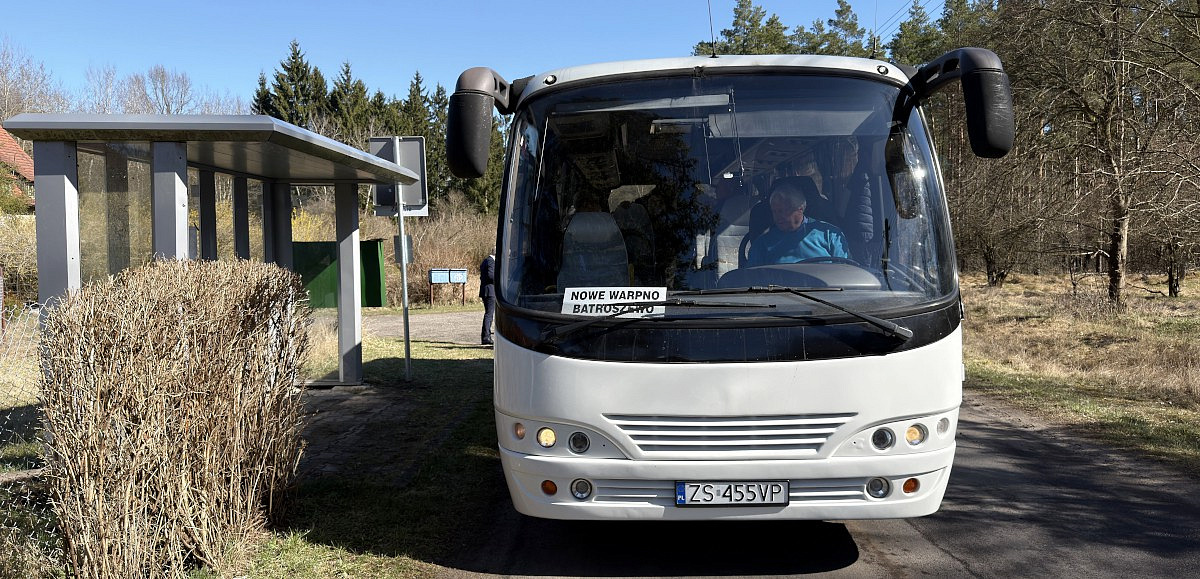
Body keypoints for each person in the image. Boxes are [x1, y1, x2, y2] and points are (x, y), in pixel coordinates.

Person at [745, 177, 849, 266]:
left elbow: (845, 272)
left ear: (800, 209)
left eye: (783, 211)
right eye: (774, 211)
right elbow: (752, 278)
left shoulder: (830, 235)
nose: (778, 216)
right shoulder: (762, 244)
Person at [479, 252, 496, 345]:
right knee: (489, 314)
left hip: (485, 291)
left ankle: (486, 335)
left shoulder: (485, 261)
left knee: (488, 314)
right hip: (490, 291)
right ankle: (486, 337)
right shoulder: (491, 261)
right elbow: (491, 275)